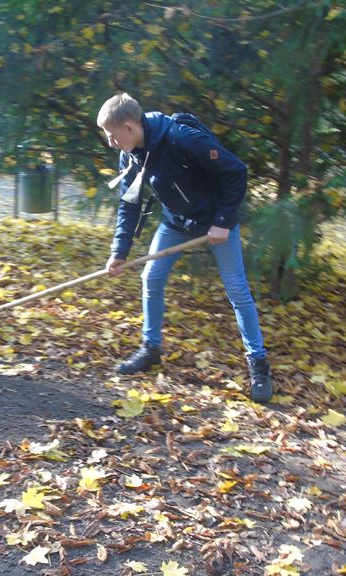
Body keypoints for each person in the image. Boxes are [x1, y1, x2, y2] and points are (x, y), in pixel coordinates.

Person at [97, 92, 273, 403]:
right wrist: (119, 252)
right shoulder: (131, 154)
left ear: (128, 127)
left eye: (112, 135)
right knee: (151, 278)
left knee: (237, 290)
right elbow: (129, 204)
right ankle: (151, 349)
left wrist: (222, 221)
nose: (111, 143)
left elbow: (236, 172)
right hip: (176, 223)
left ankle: (259, 365)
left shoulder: (182, 138)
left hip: (215, 221)